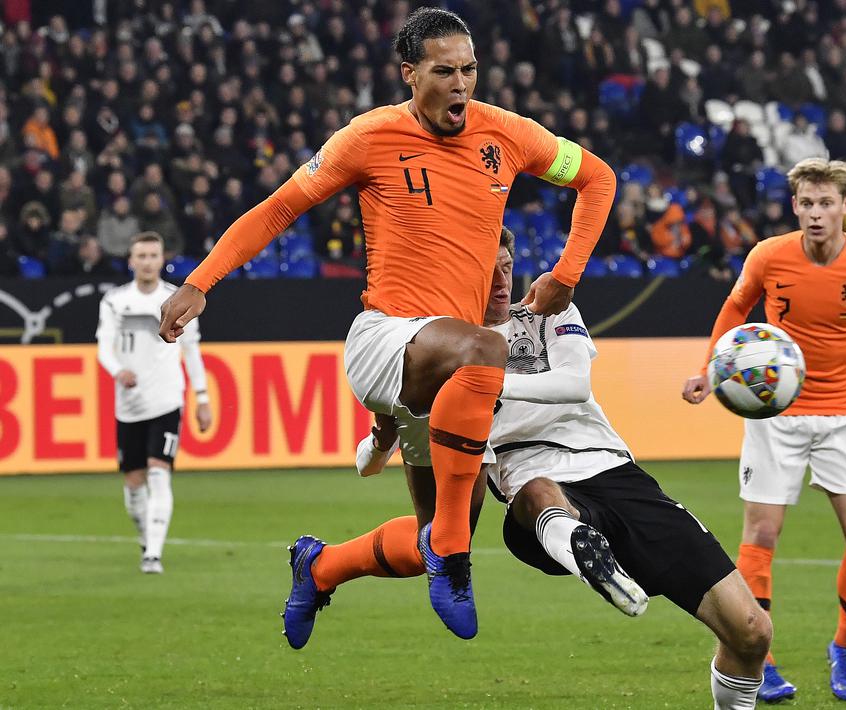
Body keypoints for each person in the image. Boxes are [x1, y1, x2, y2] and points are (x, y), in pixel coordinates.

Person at [157, 7, 615, 640]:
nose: (462, 84)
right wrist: (199, 281)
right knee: (486, 347)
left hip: (455, 377)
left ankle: (320, 567)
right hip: (386, 340)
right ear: (410, 74)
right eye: (445, 71)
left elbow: (597, 178)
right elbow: (278, 208)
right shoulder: (367, 137)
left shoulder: (507, 136)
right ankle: (453, 555)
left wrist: (567, 272)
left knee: (430, 534)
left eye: (470, 70)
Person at [292, 232, 771, 710]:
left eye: (507, 266)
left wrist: (481, 385)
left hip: (615, 473)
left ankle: (323, 564)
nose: (502, 282)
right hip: (525, 477)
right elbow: (378, 450)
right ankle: (583, 554)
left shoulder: (545, 307)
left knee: (751, 633)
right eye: (488, 271)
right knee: (504, 507)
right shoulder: (436, 344)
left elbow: (575, 384)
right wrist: (379, 441)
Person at [681, 158, 846, 703]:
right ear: (794, 206)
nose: (816, 214)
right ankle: (762, 660)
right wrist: (710, 368)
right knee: (762, 536)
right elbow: (735, 308)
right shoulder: (769, 255)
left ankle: (844, 645)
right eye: (807, 203)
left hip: (843, 413)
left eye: (826, 203)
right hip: (775, 413)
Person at [96, 232, 212, 574]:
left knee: (159, 474)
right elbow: (104, 346)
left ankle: (153, 555)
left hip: (166, 399)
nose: (147, 261)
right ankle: (147, 537)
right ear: (131, 261)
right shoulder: (115, 301)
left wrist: (202, 397)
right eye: (141, 256)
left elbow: (191, 352)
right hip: (129, 404)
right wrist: (118, 371)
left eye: (152, 255)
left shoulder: (178, 300)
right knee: (133, 483)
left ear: (161, 259)